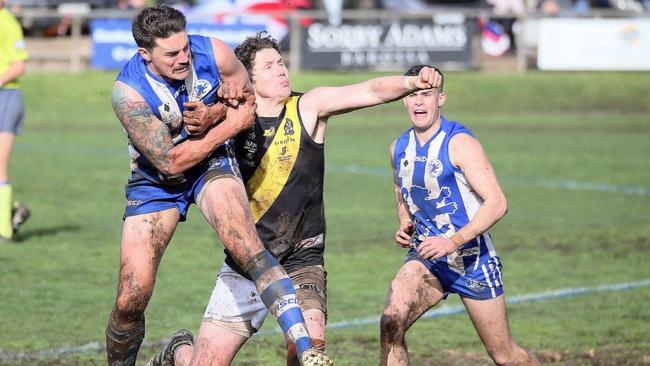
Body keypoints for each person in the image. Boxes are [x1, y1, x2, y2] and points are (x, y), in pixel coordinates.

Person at [154, 32, 441, 366]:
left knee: (309, 354)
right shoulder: (228, 120)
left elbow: (370, 90)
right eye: (269, 65)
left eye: (281, 62)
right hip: (247, 262)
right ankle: (179, 352)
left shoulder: (308, 107)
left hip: (302, 262)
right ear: (249, 77)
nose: (281, 70)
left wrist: (410, 82)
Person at [106, 6, 330, 366]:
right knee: (131, 297)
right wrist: (228, 125)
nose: (183, 59)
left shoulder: (215, 52)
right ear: (144, 54)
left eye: (185, 49)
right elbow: (170, 162)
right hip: (156, 182)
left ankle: (305, 349)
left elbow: (247, 97)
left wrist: (213, 114)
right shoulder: (128, 94)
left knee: (247, 245)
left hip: (212, 165)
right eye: (171, 54)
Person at [380, 65, 540, 366]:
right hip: (427, 258)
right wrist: (404, 219)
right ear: (404, 99)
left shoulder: (460, 143)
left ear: (441, 99)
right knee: (391, 321)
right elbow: (399, 187)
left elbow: (497, 203)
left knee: (504, 356)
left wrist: (453, 241)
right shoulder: (398, 148)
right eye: (413, 95)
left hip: (472, 261)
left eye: (426, 95)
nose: (419, 102)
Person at [0, 0, 30, 242]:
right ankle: (13, 212)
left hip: (7, 96)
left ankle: (4, 231)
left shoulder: (7, 22)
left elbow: (19, 65)